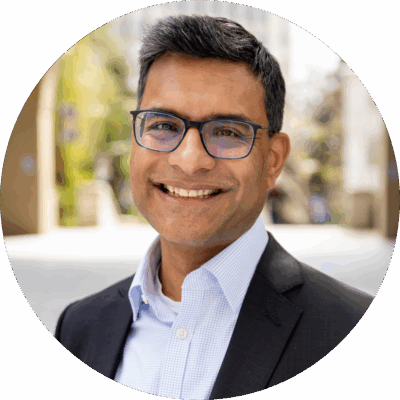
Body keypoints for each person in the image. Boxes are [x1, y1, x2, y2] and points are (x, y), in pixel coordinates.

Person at [55, 15, 373, 399]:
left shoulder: (356, 333)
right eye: (163, 126)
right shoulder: (79, 328)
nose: (190, 161)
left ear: (273, 161)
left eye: (226, 132)